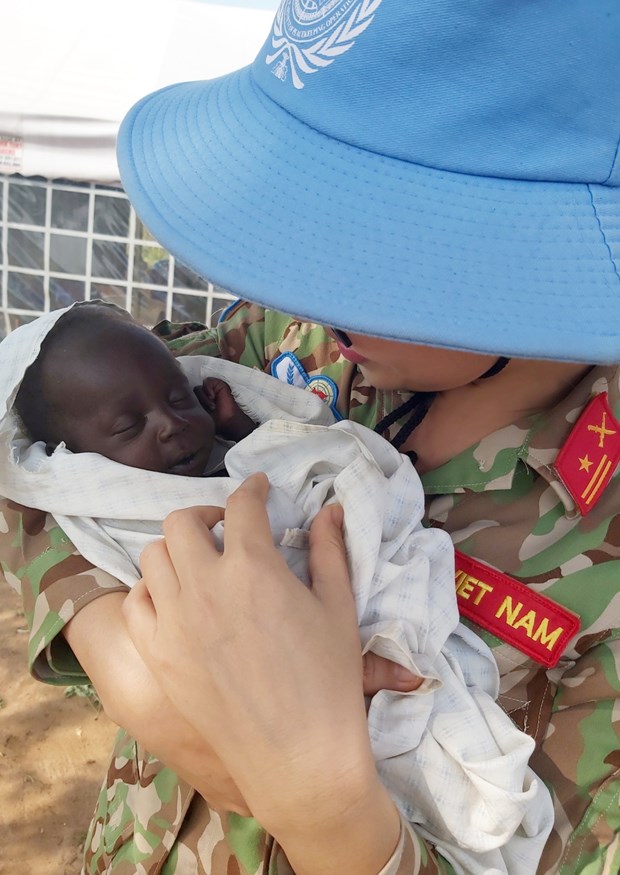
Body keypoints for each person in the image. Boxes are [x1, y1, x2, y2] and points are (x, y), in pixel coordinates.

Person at [1, 0, 619, 873]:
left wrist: (327, 810)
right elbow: (43, 414)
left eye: (369, 253)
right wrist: (114, 644)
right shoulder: (284, 338)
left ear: (534, 262)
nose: (308, 285)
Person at [0, 300, 553, 873]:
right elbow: (22, 439)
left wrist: (326, 804)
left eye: (182, 402)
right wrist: (111, 643)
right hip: (144, 838)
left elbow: (288, 466)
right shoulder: (287, 325)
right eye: (128, 427)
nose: (172, 423)